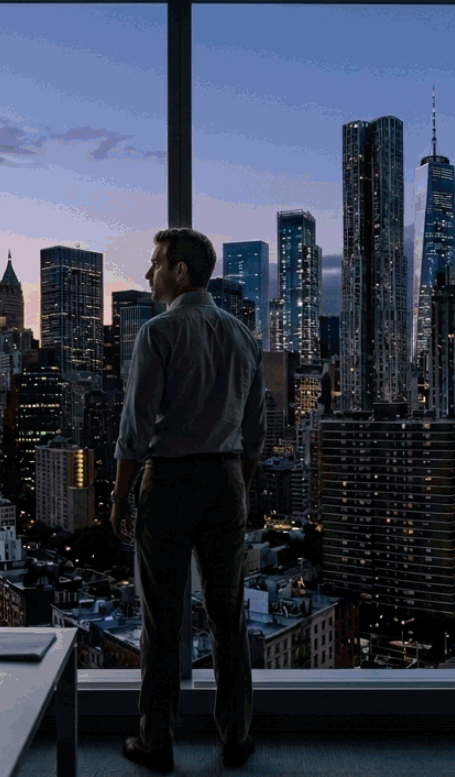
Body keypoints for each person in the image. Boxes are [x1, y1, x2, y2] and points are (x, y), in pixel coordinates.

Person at [111, 227, 263, 773]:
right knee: (229, 617)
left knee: (162, 619)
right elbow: (255, 431)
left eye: (156, 263)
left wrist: (120, 494)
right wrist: (237, 480)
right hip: (225, 481)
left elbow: (136, 426)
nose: (149, 272)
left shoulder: (158, 333)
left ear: (179, 271)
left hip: (169, 483)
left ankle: (157, 742)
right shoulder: (244, 337)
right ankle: (236, 737)